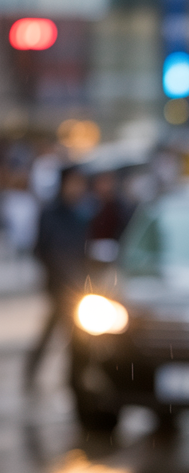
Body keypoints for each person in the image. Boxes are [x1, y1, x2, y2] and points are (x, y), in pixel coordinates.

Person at [24, 165, 89, 391]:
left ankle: (74, 378)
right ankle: (66, 379)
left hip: (78, 288)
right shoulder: (51, 213)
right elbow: (42, 249)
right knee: (59, 332)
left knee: (76, 335)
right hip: (59, 286)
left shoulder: (81, 213)